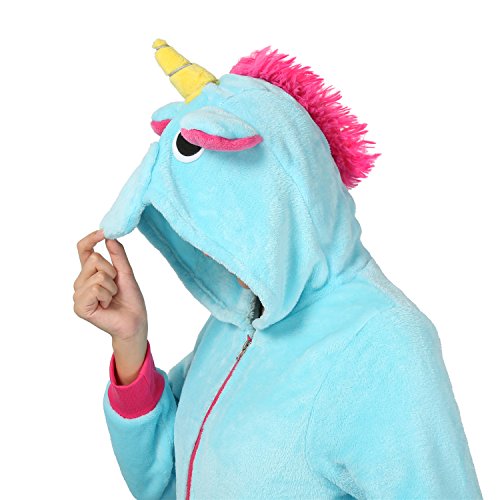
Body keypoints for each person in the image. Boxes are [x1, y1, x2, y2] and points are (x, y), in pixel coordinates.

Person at [73, 40, 482, 499]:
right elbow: (164, 480)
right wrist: (130, 341)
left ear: (282, 204)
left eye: (225, 229)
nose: (215, 254)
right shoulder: (237, 323)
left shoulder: (382, 342)